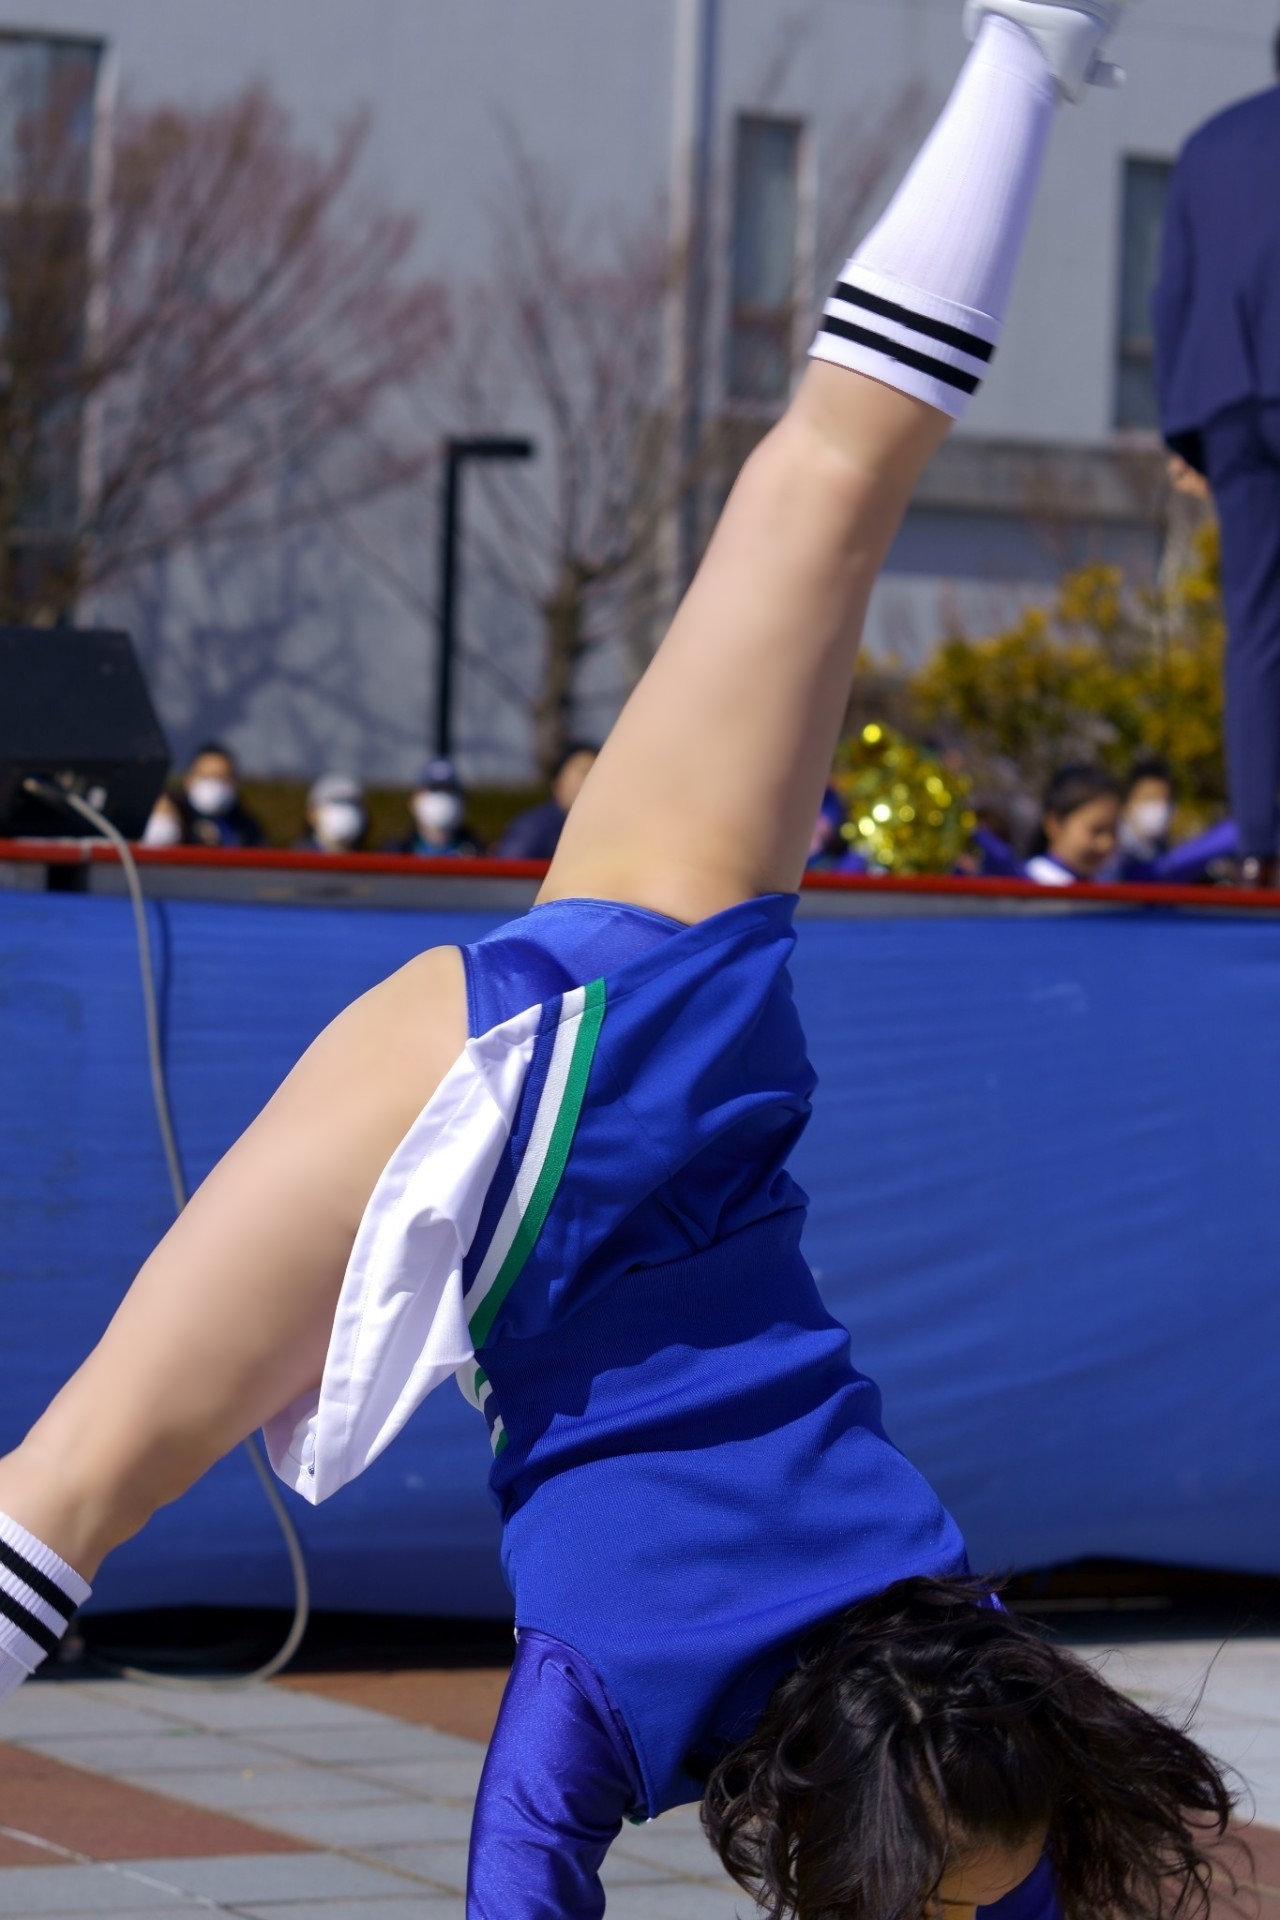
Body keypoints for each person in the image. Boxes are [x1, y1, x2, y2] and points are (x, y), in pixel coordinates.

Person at [0, 7, 1232, 1918]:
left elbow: (1017, 1839)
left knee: (832, 481)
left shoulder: (945, 1619)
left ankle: (1028, 47)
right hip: (496, 1125)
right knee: (70, 1488)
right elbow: (529, 1883)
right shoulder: (612, 1698)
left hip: (675, 1012)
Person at [1152, 29, 1280, 888]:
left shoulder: (1210, 143)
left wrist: (1182, 429)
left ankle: (1261, 843)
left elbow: (1173, 293)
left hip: (1230, 398)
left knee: (1258, 624)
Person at [495, 742, 597, 860]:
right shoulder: (534, 828)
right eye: (585, 772)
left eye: (597, 773)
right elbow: (508, 867)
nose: (593, 780)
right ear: (558, 781)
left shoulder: (598, 829)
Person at [1024, 764, 1120, 886]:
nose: (1107, 844)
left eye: (1113, 831)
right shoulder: (1025, 884)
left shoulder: (1110, 884)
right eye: (1096, 830)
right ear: (1054, 825)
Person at [176, 742, 265, 849]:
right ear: (188, 779)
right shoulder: (173, 816)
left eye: (221, 778)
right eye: (206, 777)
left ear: (234, 782)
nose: (212, 785)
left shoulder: (246, 827)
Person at [393, 758, 483, 859]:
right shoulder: (394, 851)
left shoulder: (480, 854)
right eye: (433, 789)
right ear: (413, 801)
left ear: (463, 800)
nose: (441, 798)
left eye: (448, 790)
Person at [1111, 757, 1176, 880]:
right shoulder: (1113, 851)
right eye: (1150, 798)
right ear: (1127, 802)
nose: (1159, 807)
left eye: (1165, 800)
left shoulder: (1162, 847)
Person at [297, 775, 368, 855]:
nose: (344, 811)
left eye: (353, 803)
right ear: (312, 814)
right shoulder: (296, 856)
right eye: (336, 802)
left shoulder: (370, 857)